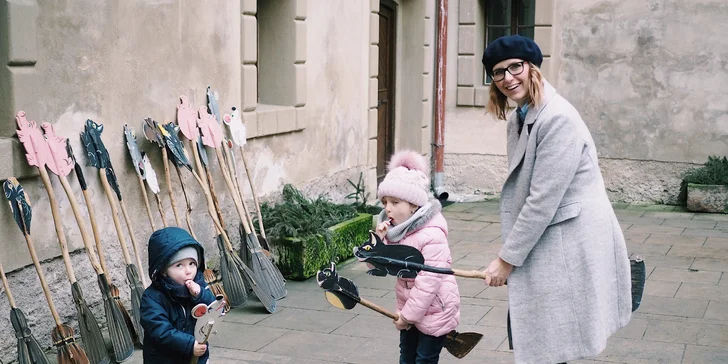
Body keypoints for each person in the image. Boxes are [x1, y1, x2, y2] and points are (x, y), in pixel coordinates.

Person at [480, 34, 632, 364]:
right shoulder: (520, 116)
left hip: (568, 239)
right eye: (497, 72)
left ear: (532, 67)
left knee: (553, 338)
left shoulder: (557, 117)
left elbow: (542, 200)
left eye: (515, 67)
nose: (507, 78)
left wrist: (506, 260)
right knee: (544, 338)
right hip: (550, 235)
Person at [372, 150, 460, 364]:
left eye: (395, 202)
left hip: (435, 309)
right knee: (406, 358)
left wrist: (407, 316)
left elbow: (428, 283)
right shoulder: (396, 230)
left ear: (413, 205)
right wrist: (378, 240)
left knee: (424, 360)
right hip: (410, 308)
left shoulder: (432, 234)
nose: (388, 209)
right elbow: (374, 265)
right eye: (385, 202)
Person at [141, 227, 216, 364]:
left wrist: (200, 295)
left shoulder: (198, 285)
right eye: (179, 265)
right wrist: (189, 345)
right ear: (163, 271)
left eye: (192, 263)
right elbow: (160, 330)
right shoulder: (152, 297)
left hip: (197, 355)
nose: (188, 271)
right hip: (165, 358)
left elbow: (213, 309)